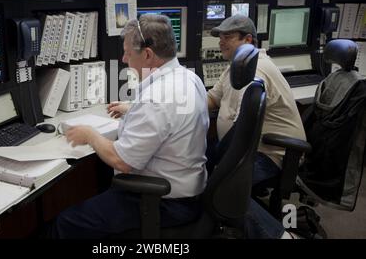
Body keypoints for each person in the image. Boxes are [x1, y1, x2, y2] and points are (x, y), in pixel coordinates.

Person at [46, 14, 209, 238]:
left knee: (66, 224)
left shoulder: (156, 98)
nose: (123, 59)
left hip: (163, 203)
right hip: (188, 192)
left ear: (148, 54)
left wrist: (90, 135)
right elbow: (172, 116)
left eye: (128, 53)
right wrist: (134, 108)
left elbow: (122, 161)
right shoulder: (189, 78)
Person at [207, 14, 306, 238]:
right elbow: (212, 99)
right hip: (250, 148)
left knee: (225, 191)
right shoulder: (237, 65)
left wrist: (220, 166)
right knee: (200, 163)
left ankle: (282, 236)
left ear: (248, 40)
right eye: (220, 37)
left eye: (228, 37)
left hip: (273, 154)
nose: (221, 41)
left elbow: (241, 127)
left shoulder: (256, 70)